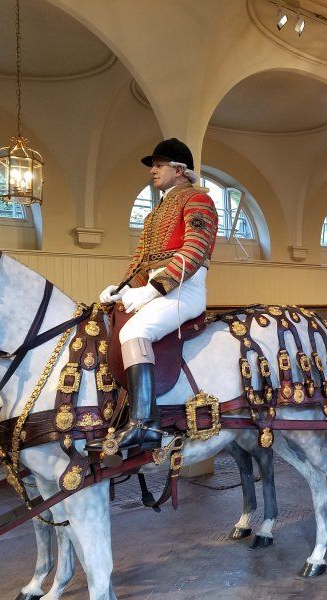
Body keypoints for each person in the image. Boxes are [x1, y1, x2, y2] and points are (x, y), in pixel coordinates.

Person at [88, 138, 218, 453]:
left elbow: (193, 250)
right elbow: (140, 261)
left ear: (179, 169)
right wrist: (121, 288)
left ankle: (145, 423)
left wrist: (152, 290)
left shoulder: (198, 200)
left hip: (184, 291)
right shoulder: (154, 214)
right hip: (153, 291)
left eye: (159, 165)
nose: (153, 172)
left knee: (136, 330)